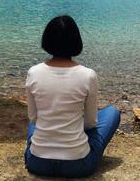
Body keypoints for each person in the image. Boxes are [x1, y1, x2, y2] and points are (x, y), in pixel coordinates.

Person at [24, 15, 120, 178]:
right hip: (78, 165)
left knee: (37, 123)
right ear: (76, 42)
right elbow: (90, 123)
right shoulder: (88, 75)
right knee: (112, 113)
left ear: (46, 40)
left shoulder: (33, 72)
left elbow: (33, 118)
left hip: (37, 162)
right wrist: (71, 124)